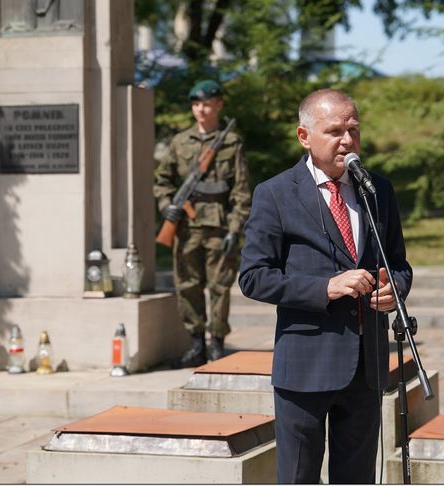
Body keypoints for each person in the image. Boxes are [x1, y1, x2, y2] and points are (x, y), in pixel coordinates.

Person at [238, 88, 412, 483]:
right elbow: (253, 277)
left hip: (366, 367)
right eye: (334, 131)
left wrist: (395, 290)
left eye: (354, 130)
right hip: (305, 366)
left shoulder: (378, 190)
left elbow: (398, 265)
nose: (347, 140)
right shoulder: (275, 193)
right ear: (304, 136)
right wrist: (325, 288)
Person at [153, 79, 252, 366]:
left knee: (220, 287)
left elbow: (241, 191)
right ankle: (196, 344)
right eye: (196, 104)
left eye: (206, 104)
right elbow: (162, 181)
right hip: (186, 228)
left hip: (219, 227)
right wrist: (167, 207)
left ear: (218, 105)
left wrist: (235, 228)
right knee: (188, 285)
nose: (200, 109)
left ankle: (216, 343)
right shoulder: (180, 142)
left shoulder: (231, 142)